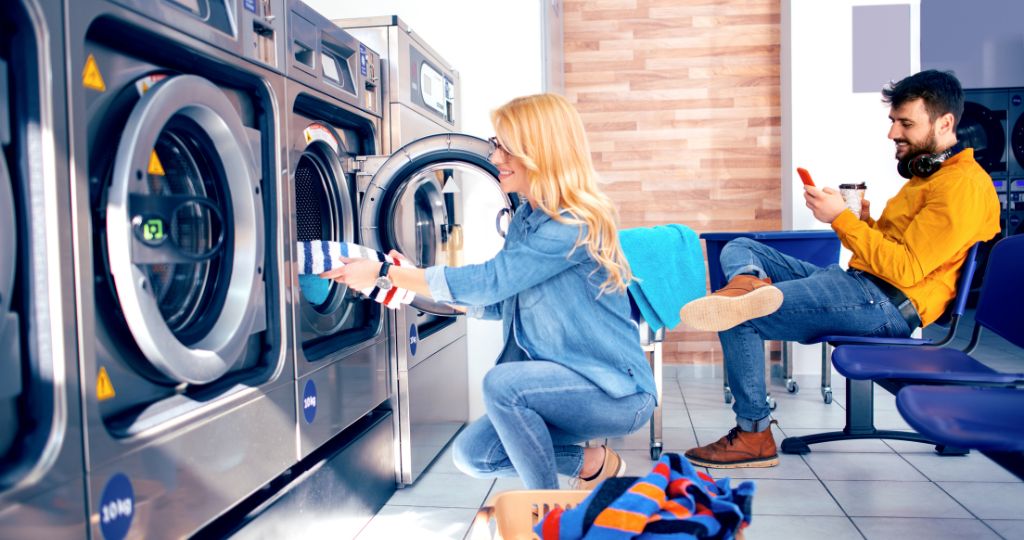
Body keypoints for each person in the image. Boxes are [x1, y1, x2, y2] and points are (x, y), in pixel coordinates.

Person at [322, 93, 657, 489]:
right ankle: (591, 462)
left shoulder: (571, 225)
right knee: (474, 455)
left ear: (541, 153)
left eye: (506, 149)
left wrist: (384, 273)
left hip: (615, 392)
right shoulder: (527, 220)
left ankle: (543, 515)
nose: (496, 158)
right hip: (562, 385)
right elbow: (501, 301)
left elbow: (490, 281)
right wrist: (412, 284)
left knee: (503, 384)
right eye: (496, 145)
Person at [677, 69, 1001, 468]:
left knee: (740, 316)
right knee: (742, 247)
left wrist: (839, 221)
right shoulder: (927, 177)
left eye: (906, 123)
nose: (893, 134)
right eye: (892, 122)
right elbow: (888, 251)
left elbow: (904, 269)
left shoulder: (962, 186)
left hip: (885, 304)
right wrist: (860, 220)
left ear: (945, 123)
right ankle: (746, 285)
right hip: (858, 286)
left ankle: (753, 435)